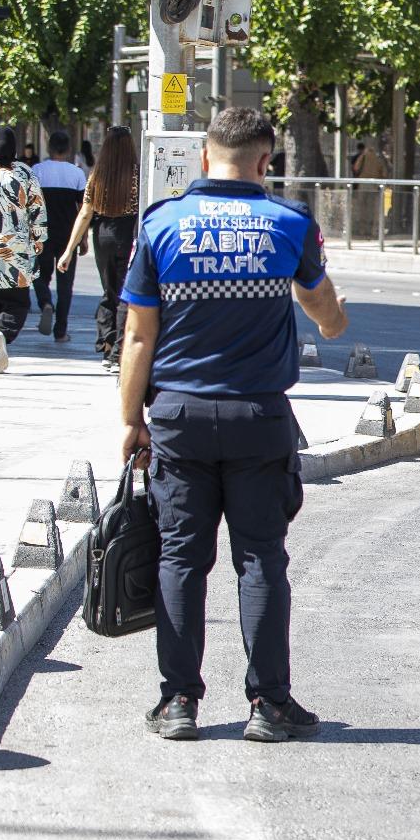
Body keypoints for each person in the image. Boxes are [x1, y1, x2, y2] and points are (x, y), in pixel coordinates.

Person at [115, 108, 349, 743]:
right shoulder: (289, 223)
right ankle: (270, 705)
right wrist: (331, 320)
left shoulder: (161, 225)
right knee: (261, 560)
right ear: (266, 163)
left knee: (181, 559)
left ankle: (178, 703)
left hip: (179, 418)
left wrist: (131, 420)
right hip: (258, 419)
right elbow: (326, 313)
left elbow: (138, 334)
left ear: (203, 159)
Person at [56, 126, 139, 370]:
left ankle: (105, 346)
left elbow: (85, 213)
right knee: (126, 293)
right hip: (128, 232)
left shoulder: (98, 174)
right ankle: (118, 354)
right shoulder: (137, 174)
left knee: (108, 291)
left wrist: (69, 250)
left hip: (102, 235)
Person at [0, 126, 48, 374]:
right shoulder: (24, 173)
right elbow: (38, 208)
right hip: (17, 247)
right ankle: (3, 332)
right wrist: (39, 238)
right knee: (18, 302)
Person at [31, 131, 87, 342]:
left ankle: (45, 302)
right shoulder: (77, 174)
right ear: (68, 148)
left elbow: (31, 204)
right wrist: (82, 239)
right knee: (65, 284)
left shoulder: (37, 170)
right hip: (68, 235)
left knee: (38, 275)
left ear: (49, 147)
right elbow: (83, 208)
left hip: (42, 233)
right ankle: (61, 331)